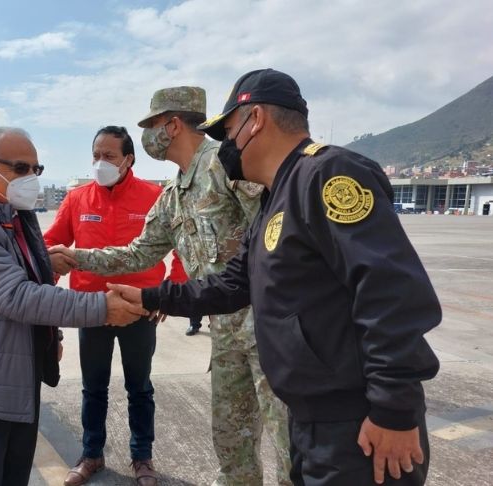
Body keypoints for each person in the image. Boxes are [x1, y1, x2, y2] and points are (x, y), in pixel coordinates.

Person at [112, 68, 441, 486]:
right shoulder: (274, 197)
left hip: (358, 422)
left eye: (228, 131)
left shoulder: (328, 174)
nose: (226, 146)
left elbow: (391, 293)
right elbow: (233, 284)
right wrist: (151, 298)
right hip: (310, 418)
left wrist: (395, 410)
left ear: (255, 120)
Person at [49, 87, 292, 486]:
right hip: (226, 333)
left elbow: (274, 236)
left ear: (173, 125)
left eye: (151, 126)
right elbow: (138, 253)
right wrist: (76, 256)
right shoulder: (174, 195)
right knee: (232, 440)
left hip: (267, 329)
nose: (148, 136)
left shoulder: (227, 166)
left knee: (289, 446)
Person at [0, 126, 147, 486]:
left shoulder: (10, 215)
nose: (29, 177)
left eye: (35, 169)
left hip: (15, 380)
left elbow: (20, 274)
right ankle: (92, 453)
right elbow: (17, 296)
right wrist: (102, 307)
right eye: (19, 168)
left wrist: (46, 267)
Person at [44, 126, 186, 486]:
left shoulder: (155, 196)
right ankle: (91, 454)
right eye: (95, 155)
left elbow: (182, 245)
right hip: (91, 308)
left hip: (141, 308)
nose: (100, 163)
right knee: (94, 387)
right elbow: (53, 247)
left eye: (108, 156)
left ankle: (142, 457)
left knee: (139, 387)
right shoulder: (77, 199)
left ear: (128, 159)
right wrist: (44, 296)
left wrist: (173, 289)